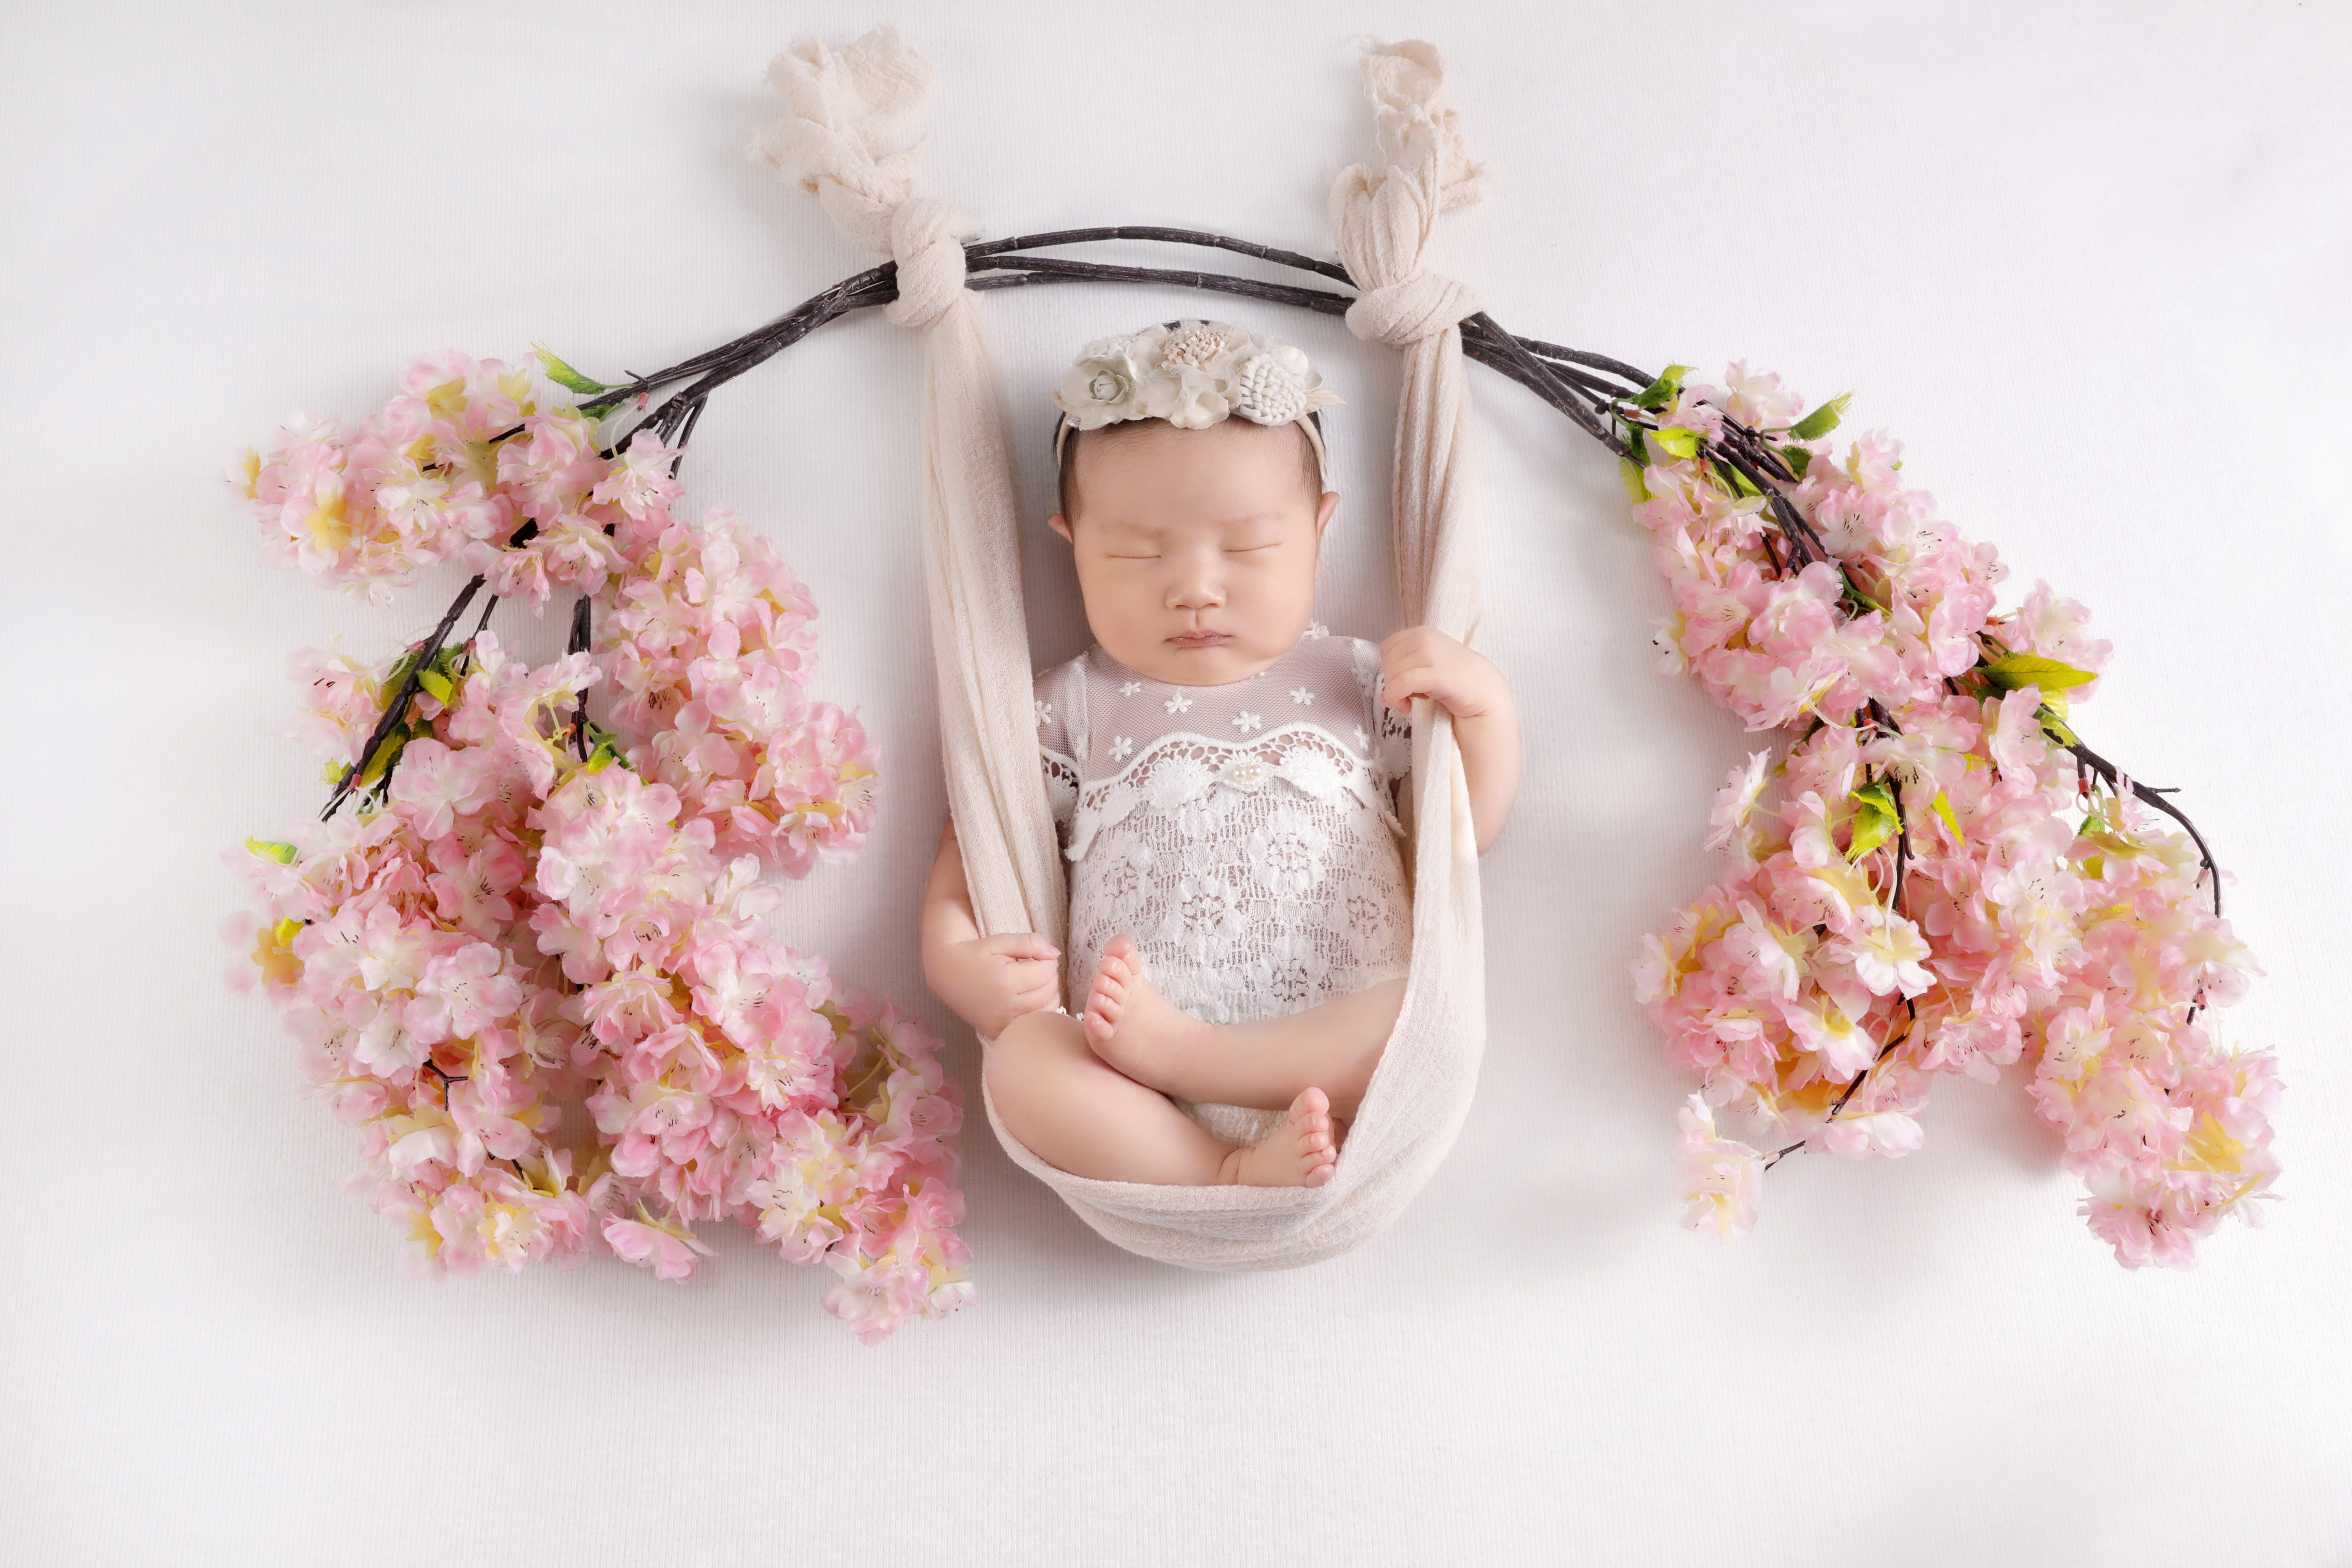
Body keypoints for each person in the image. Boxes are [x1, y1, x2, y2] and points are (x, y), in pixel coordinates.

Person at [920, 318, 1520, 1187]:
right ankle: (1225, 1171)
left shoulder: (1362, 680)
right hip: (1127, 1078)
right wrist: (956, 964)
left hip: (1335, 1046)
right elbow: (965, 857)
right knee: (1023, 1062)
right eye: (1135, 551)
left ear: (1321, 531)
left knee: (1436, 1011)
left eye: (1245, 548)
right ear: (1073, 545)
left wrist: (1486, 706)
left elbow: (1466, 834)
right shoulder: (1069, 709)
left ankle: (1196, 1056)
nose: (1196, 587)